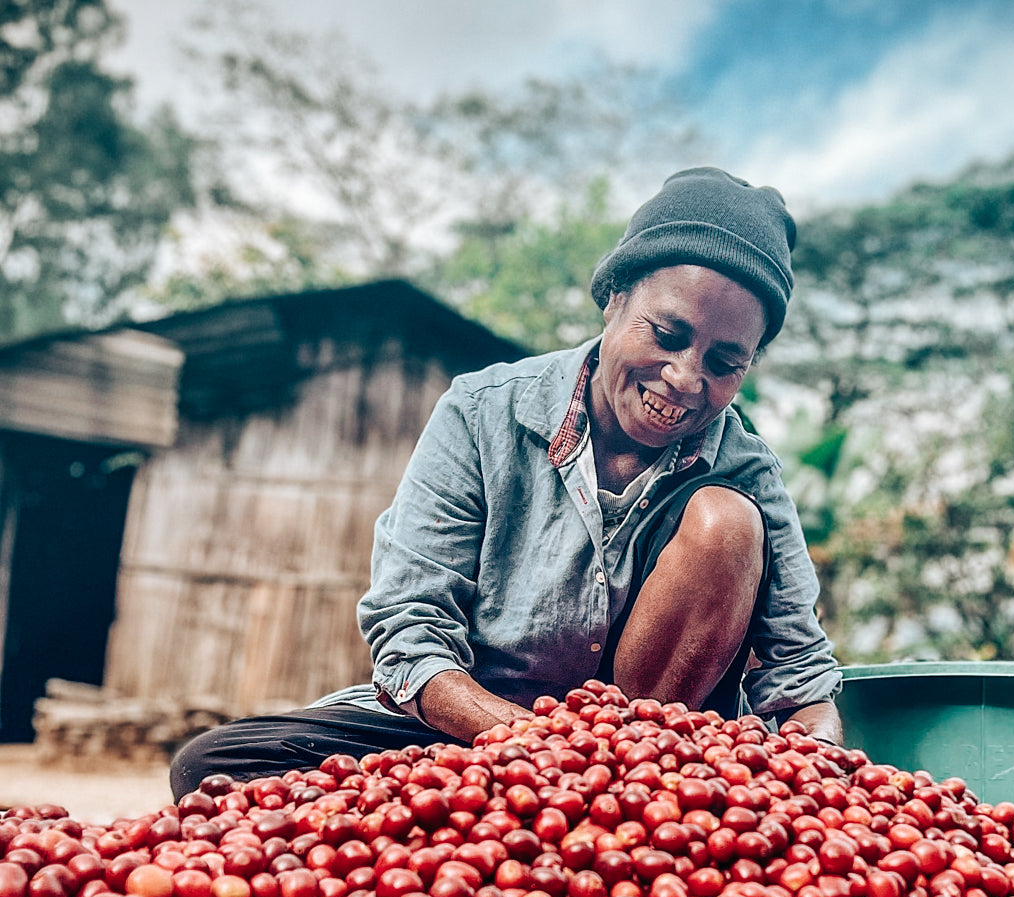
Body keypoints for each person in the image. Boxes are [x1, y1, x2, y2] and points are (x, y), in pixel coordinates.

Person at [170, 167, 842, 799]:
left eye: (724, 362)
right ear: (614, 300)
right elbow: (411, 628)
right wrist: (532, 748)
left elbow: (799, 678)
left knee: (728, 521)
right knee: (215, 771)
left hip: (652, 775)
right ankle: (517, 813)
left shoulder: (746, 466)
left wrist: (823, 780)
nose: (685, 378)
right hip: (476, 732)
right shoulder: (482, 412)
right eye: (667, 334)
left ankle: (606, 812)